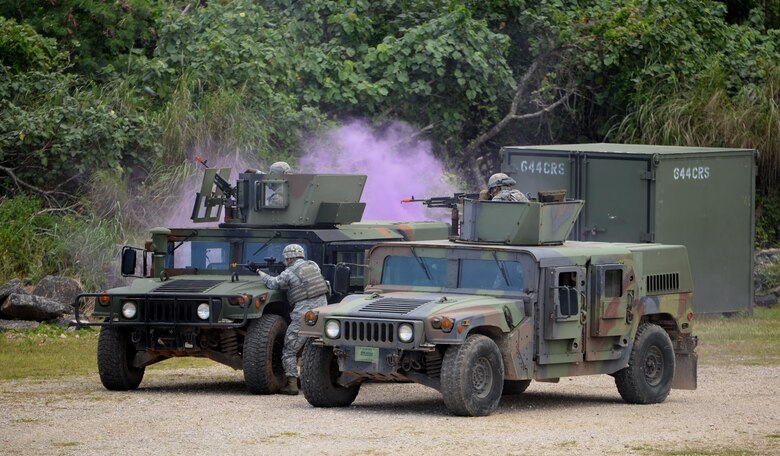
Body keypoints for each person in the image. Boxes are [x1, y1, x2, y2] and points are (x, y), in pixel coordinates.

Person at [253, 244, 328, 395]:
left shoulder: (289, 272)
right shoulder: (313, 266)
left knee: (289, 350)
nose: (285, 261)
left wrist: (259, 272)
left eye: (285, 259)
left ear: (289, 258)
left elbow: (273, 283)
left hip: (304, 314)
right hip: (323, 311)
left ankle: (292, 385)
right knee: (321, 346)